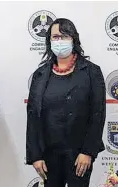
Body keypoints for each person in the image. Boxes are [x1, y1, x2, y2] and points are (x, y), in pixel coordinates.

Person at [26, 18, 106, 187]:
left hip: (79, 155)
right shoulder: (40, 75)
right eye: (55, 37)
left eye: (64, 36)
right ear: (49, 41)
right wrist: (35, 155)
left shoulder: (92, 72)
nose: (59, 41)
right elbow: (33, 116)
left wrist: (88, 152)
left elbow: (97, 114)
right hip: (49, 155)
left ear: (73, 39)